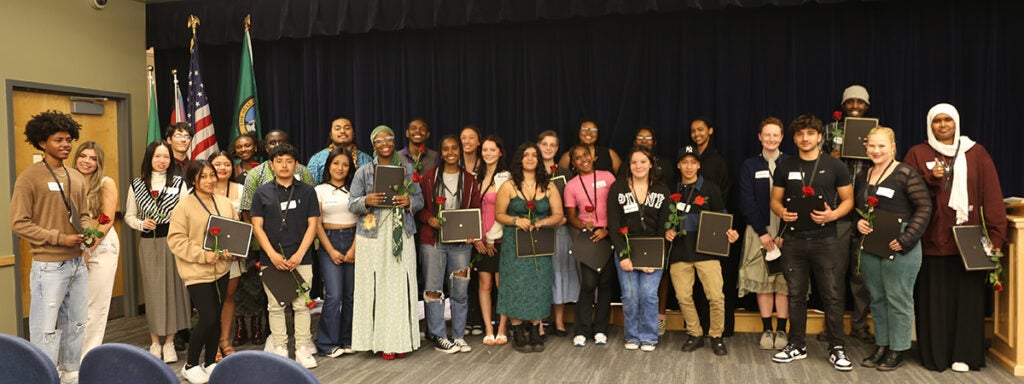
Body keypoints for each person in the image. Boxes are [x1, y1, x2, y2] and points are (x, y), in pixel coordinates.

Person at [904, 103, 1006, 372]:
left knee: (967, 299)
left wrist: (997, 237)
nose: (943, 125)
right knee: (934, 299)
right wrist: (930, 178)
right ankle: (935, 356)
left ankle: (965, 354)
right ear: (930, 125)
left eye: (948, 120)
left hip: (968, 240)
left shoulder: (976, 153)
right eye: (937, 121)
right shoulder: (918, 153)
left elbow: (992, 196)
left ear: (956, 122)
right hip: (930, 240)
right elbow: (905, 193)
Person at [769, 114, 854, 371]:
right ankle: (797, 344)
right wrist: (781, 213)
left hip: (826, 240)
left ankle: (837, 346)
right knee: (795, 295)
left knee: (832, 295)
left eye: (810, 134)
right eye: (800, 134)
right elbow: (774, 201)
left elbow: (849, 201)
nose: (805, 139)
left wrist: (833, 215)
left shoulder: (835, 166)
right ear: (794, 138)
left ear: (820, 137)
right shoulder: (785, 166)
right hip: (793, 241)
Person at [10, 111, 90, 384]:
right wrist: (59, 238)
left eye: (69, 139)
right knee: (45, 328)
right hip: (49, 265)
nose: (66, 145)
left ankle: (71, 373)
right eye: (59, 140)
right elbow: (18, 223)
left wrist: (89, 232)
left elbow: (86, 213)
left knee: (77, 323)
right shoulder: (29, 178)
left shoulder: (77, 177)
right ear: (42, 142)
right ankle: (44, 376)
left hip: (78, 263)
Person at [854, 127, 932, 371]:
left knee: (898, 298)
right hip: (872, 246)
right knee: (877, 298)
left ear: (893, 147)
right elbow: (859, 208)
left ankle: (897, 349)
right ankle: (882, 344)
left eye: (882, 146)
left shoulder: (905, 173)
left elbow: (925, 207)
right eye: (872, 146)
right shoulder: (863, 175)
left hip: (900, 246)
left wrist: (907, 238)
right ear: (865, 147)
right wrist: (859, 222)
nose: (876, 151)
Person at [349, 125, 424, 360]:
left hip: (401, 232)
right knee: (375, 287)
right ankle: (380, 342)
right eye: (379, 140)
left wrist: (408, 201)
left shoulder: (408, 168)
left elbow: (420, 200)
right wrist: (366, 200)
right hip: (371, 234)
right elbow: (352, 203)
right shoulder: (363, 171)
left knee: (400, 286)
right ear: (373, 144)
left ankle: (400, 339)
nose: (384, 143)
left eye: (389, 139)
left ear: (394, 142)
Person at [250, 144, 321, 369]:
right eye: (279, 161)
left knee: (301, 305)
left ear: (296, 164)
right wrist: (272, 255)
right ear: (271, 165)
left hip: (301, 258)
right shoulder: (261, 192)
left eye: (289, 161)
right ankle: (280, 347)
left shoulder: (307, 191)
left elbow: (313, 225)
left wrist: (300, 254)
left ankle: (301, 348)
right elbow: (257, 227)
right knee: (275, 306)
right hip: (273, 260)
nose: (284, 165)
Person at [167, 160, 236, 383]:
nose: (209, 180)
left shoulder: (225, 203)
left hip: (222, 269)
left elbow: (235, 232)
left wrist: (232, 252)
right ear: (193, 180)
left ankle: (210, 361)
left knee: (216, 317)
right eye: (203, 176)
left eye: (212, 175)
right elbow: (176, 241)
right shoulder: (183, 206)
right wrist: (203, 254)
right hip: (196, 270)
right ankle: (190, 364)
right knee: (207, 316)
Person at [667, 145, 739, 356]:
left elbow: (722, 218)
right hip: (680, 252)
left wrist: (730, 233)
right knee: (683, 296)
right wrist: (667, 232)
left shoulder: (710, 189)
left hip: (706, 251)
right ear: (679, 165)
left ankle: (716, 335)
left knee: (716, 296)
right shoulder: (672, 189)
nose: (689, 167)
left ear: (699, 165)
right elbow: (664, 220)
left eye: (693, 162)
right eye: (684, 162)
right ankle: (695, 333)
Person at [416, 135, 484, 354]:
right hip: (433, 243)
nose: (451, 152)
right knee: (433, 290)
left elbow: (475, 210)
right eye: (446, 149)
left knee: (460, 290)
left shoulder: (469, 180)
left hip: (461, 245)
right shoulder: (428, 177)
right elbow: (420, 207)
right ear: (441, 152)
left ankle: (458, 335)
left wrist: (473, 233)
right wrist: (429, 219)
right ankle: (437, 335)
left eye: (454, 148)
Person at [494, 142, 565, 353]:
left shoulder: (549, 185)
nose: (531, 158)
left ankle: (535, 329)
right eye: (526, 155)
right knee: (515, 284)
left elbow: (559, 215)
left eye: (535, 155)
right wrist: (516, 220)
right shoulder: (508, 185)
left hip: (540, 243)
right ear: (519, 159)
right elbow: (499, 214)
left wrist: (543, 222)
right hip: (514, 243)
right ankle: (516, 330)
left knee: (539, 285)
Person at [125, 140, 191, 363]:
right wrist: (141, 224)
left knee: (174, 290)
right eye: (157, 156)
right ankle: (155, 341)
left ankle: (170, 341)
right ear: (149, 158)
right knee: (153, 293)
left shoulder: (179, 182)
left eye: (166, 156)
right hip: (149, 243)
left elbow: (186, 214)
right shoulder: (137, 185)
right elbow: (129, 216)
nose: (162, 161)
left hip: (173, 242)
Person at [821, 84, 876, 343]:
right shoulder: (830, 131)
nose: (855, 106)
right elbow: (815, 165)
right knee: (833, 270)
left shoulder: (876, 134)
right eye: (850, 102)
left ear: (867, 106)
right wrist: (831, 157)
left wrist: (871, 151)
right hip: (837, 210)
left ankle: (859, 325)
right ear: (843, 105)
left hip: (867, 211)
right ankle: (831, 326)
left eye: (860, 102)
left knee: (861, 272)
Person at [607, 146, 671, 352]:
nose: (638, 166)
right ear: (629, 165)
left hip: (653, 251)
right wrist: (623, 255)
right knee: (630, 295)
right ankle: (632, 335)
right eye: (634, 162)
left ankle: (649, 336)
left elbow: (664, 226)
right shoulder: (618, 188)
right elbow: (614, 224)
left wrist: (654, 258)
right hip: (626, 249)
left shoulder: (662, 190)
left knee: (648, 294)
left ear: (651, 163)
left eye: (643, 161)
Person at [737, 117, 790, 351]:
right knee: (764, 282)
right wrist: (763, 233)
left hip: (786, 231)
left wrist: (784, 233)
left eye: (775, 135)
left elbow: (797, 199)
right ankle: (767, 329)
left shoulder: (791, 163)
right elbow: (746, 201)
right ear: (760, 137)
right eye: (766, 135)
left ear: (781, 138)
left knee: (783, 283)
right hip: (760, 232)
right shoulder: (750, 165)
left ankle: (782, 330)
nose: (771, 139)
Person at [563, 143, 616, 347]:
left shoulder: (608, 177)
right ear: (574, 163)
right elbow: (571, 216)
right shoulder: (571, 185)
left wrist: (607, 229)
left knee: (605, 284)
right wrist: (586, 226)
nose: (583, 159)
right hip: (588, 237)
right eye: (578, 158)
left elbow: (616, 208)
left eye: (586, 155)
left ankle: (601, 329)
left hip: (608, 235)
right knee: (587, 284)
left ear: (593, 156)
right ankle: (582, 329)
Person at [72, 142, 120, 358]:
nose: (87, 161)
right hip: (74, 247)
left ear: (99, 162)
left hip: (101, 246)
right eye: (83, 156)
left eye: (93, 158)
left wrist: (89, 249)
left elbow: (106, 220)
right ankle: (69, 359)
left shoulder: (105, 183)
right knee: (73, 307)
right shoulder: (67, 180)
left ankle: (85, 359)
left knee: (94, 305)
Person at [313, 148, 358, 358]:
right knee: (334, 295)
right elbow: (317, 224)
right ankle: (326, 343)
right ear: (328, 165)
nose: (340, 168)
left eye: (345, 164)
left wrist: (353, 249)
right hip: (328, 240)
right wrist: (330, 250)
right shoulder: (319, 190)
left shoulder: (355, 189)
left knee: (350, 296)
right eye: (336, 163)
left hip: (354, 241)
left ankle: (348, 339)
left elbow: (364, 221)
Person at [538, 130, 578, 337]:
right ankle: (539, 322)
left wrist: (563, 218)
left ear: (557, 148)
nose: (548, 148)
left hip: (561, 230)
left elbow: (572, 202)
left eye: (552, 145)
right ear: (538, 146)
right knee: (540, 275)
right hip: (536, 230)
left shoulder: (565, 172)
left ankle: (559, 321)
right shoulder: (530, 171)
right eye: (544, 144)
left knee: (559, 273)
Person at [208, 152, 243, 361]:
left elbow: (247, 219)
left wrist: (240, 249)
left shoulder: (240, 189)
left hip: (233, 254)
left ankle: (224, 340)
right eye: (217, 164)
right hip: (209, 255)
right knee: (211, 300)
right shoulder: (202, 190)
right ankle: (212, 345)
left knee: (228, 297)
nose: (222, 168)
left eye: (226, 164)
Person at [476, 135, 510, 346]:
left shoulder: (505, 178)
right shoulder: (475, 177)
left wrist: (491, 238)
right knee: (485, 284)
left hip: (500, 239)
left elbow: (504, 210)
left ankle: (502, 329)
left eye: (492, 150)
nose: (488, 153)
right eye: (485, 150)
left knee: (502, 284)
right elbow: (472, 211)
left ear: (500, 152)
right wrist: (477, 239)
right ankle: (488, 329)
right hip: (480, 241)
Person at [239, 129, 315, 217]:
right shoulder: (254, 174)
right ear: (266, 148)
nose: (277, 146)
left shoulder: (303, 171)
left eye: (281, 142)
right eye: (272, 143)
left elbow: (313, 202)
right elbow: (247, 208)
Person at [459, 125, 486, 336]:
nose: (467, 141)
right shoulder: (454, 163)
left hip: (484, 226)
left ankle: (479, 319)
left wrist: (479, 234)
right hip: (459, 226)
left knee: (481, 275)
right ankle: (465, 319)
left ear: (479, 142)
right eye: (463, 138)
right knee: (463, 273)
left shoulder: (486, 164)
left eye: (471, 138)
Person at [308, 117, 372, 185]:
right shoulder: (317, 160)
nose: (342, 131)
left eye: (347, 128)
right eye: (337, 128)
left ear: (353, 133)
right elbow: (310, 190)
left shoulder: (366, 160)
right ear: (331, 135)